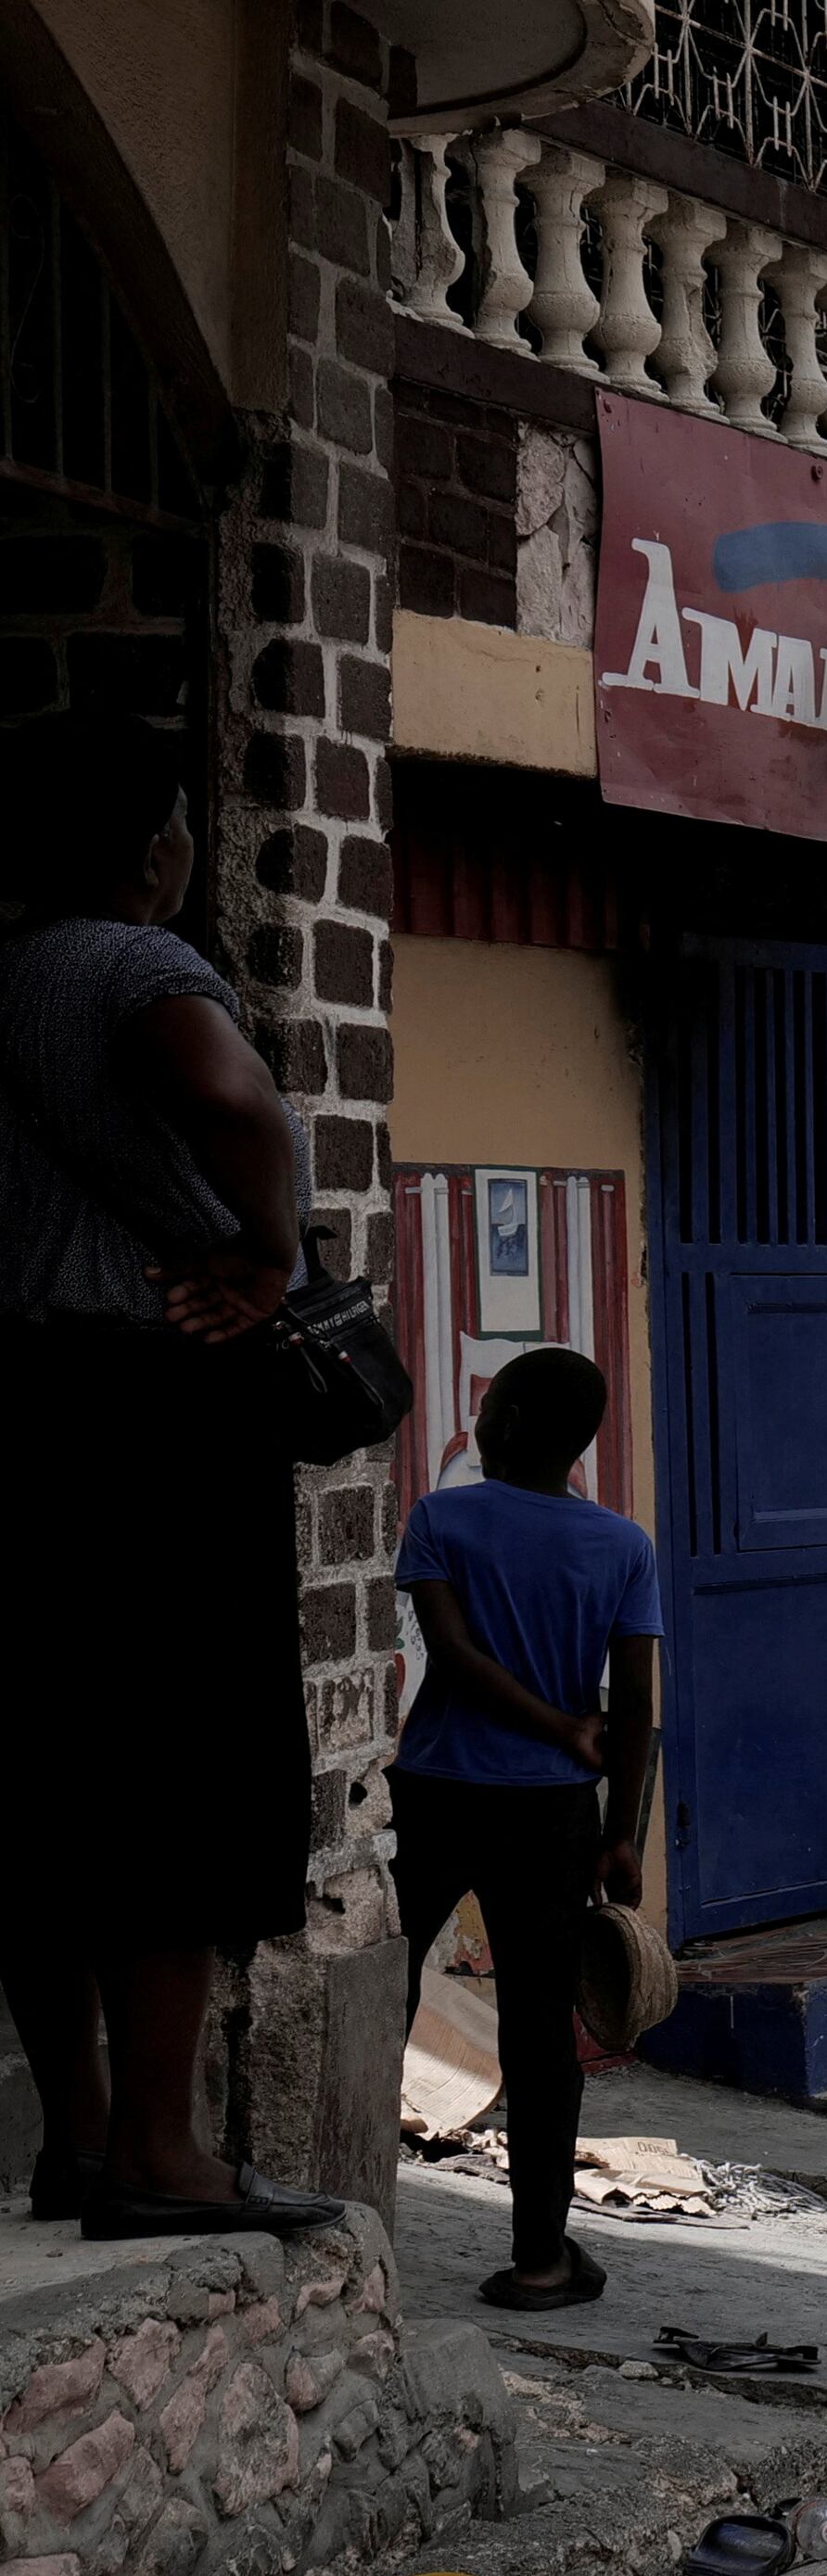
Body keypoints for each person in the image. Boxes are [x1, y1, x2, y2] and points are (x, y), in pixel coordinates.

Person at [0, 720, 347, 2241]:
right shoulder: (137, 969)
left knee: (48, 1782)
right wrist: (268, 1256)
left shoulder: (3, 973)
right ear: (157, 848)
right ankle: (163, 2149)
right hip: (146, 1399)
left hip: (25, 1400)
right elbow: (229, 1096)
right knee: (177, 1779)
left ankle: (77, 2131)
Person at [388, 1348, 662, 2311]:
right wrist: (620, 1830)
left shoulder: (442, 1518)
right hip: (553, 1811)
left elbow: (453, 1655)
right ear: (580, 1445)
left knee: (384, 1999)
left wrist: (555, 1729)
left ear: (492, 1424)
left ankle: (353, 2234)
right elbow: (634, 1700)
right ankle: (541, 2256)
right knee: (540, 2033)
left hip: (432, 1793)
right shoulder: (621, 1545)